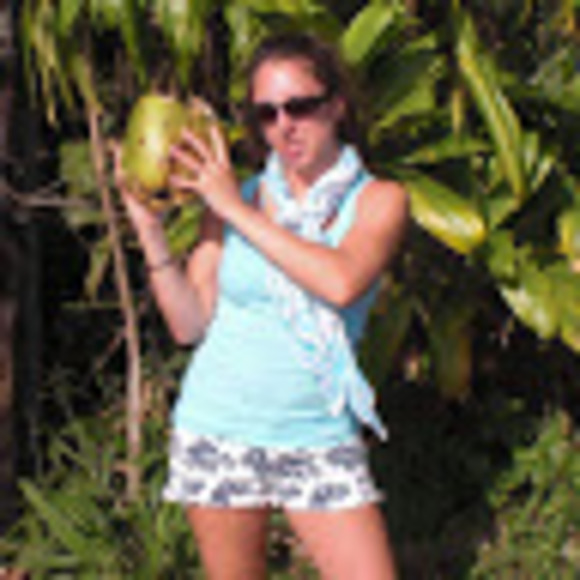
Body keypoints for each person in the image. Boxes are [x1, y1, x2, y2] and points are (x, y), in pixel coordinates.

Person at [116, 31, 408, 580]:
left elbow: (341, 282)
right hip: (220, 425)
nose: (284, 126)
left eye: (300, 107)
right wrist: (149, 230)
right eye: (267, 114)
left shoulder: (379, 200)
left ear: (336, 106)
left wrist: (233, 208)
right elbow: (189, 324)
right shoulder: (239, 198)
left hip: (317, 433)